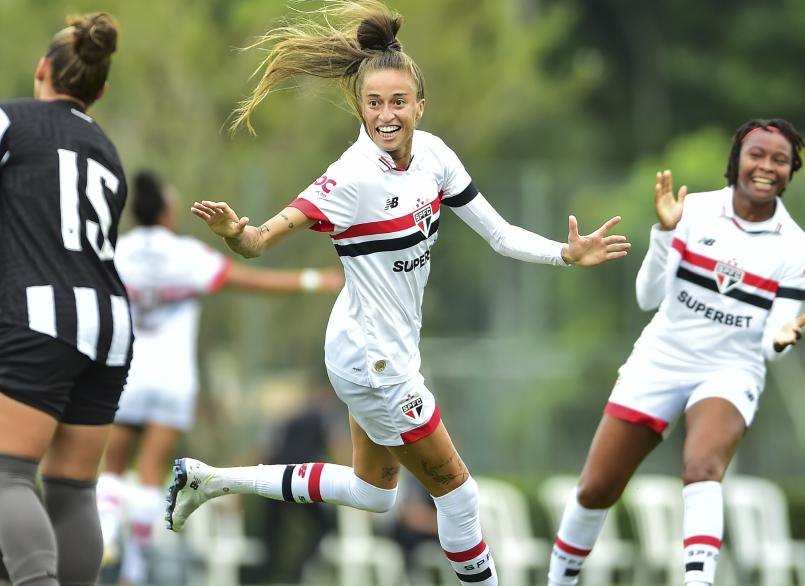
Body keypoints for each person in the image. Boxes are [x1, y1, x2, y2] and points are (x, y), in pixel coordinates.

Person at [163, 2, 630, 585]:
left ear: (419, 105)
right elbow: (260, 240)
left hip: (381, 349)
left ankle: (210, 479)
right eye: (374, 103)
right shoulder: (350, 176)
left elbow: (501, 234)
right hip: (370, 358)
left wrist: (564, 252)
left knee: (374, 493)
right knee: (459, 495)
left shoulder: (434, 155)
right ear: (359, 108)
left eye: (398, 102)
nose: (387, 115)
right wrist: (238, 233)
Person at [546, 119, 805, 586]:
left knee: (702, 466)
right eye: (756, 155)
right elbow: (646, 298)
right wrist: (666, 233)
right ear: (736, 161)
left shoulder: (795, 246)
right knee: (596, 488)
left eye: (780, 160)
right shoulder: (693, 210)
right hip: (662, 358)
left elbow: (776, 338)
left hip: (731, 369)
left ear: (792, 171)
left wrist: (782, 339)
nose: (766, 166)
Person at [0, 13, 128, 586]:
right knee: (73, 490)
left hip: (40, 317)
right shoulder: (106, 149)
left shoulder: (7, 118)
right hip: (111, 326)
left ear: (42, 69)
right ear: (100, 90)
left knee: (3, 477)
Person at [95, 170, 343, 585]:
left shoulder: (119, 252)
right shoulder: (185, 256)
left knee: (114, 465)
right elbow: (249, 280)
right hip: (172, 381)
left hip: (126, 372)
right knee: (152, 470)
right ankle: (134, 571)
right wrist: (315, 280)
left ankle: (104, 530)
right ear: (169, 212)